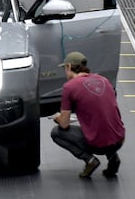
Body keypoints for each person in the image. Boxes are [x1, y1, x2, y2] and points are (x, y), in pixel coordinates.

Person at [50, 51, 125, 179]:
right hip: (119, 140)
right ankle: (113, 158)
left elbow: (64, 124)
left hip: (97, 144)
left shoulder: (69, 87)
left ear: (68, 67)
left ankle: (89, 160)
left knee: (56, 133)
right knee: (104, 123)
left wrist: (57, 118)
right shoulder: (104, 80)